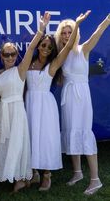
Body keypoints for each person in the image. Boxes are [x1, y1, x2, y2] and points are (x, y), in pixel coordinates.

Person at [25, 11, 90, 191]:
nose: (46, 48)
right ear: (38, 46)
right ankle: (34, 171)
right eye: (43, 45)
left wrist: (76, 24)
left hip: (45, 106)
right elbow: (29, 50)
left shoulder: (52, 65)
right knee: (31, 136)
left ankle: (47, 174)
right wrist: (42, 28)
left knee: (44, 138)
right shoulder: (29, 62)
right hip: (30, 103)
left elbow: (68, 47)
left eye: (49, 47)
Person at [0, 12, 50, 192]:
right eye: (6, 54)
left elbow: (32, 48)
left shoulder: (21, 69)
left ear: (17, 54)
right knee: (7, 143)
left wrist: (41, 30)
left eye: (12, 54)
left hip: (17, 109)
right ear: (1, 56)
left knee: (18, 142)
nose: (9, 57)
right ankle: (15, 175)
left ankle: (22, 177)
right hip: (4, 110)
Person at [54, 13, 110, 195]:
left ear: (76, 33)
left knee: (84, 132)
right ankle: (77, 172)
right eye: (64, 32)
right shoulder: (62, 54)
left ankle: (95, 179)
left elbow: (97, 33)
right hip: (68, 97)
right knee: (71, 131)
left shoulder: (83, 49)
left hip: (81, 97)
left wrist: (107, 19)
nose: (67, 35)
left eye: (70, 32)